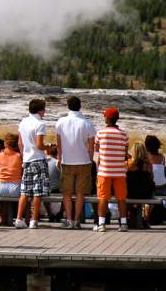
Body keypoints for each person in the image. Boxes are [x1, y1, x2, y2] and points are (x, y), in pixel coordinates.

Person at [55, 95, 96, 230]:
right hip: (83, 161)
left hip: (67, 161)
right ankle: (77, 220)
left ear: (68, 106)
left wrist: (60, 158)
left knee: (66, 192)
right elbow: (91, 147)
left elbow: (59, 144)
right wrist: (90, 159)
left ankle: (69, 219)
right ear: (80, 106)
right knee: (80, 193)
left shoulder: (61, 122)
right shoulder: (87, 123)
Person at [93, 106, 129, 232]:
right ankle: (123, 223)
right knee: (121, 198)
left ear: (108, 118)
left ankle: (101, 223)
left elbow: (97, 149)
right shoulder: (124, 134)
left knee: (103, 197)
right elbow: (125, 153)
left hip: (105, 170)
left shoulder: (100, 133)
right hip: (119, 171)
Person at [15, 99, 48, 229]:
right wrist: (49, 148)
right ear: (40, 110)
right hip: (38, 159)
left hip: (27, 159)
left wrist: (24, 156)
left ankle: (19, 218)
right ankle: (34, 220)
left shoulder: (23, 122)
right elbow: (39, 145)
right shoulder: (40, 123)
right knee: (37, 192)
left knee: (25, 191)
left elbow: (19, 143)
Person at [126, 141, 155, 226]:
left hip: (130, 193)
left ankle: (129, 218)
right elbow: (152, 178)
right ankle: (143, 220)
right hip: (145, 193)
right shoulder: (148, 164)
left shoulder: (128, 164)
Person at [0, 133, 24, 205]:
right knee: (26, 198)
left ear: (6, 143)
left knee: (4, 203)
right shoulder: (19, 156)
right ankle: (24, 216)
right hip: (15, 188)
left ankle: (4, 216)